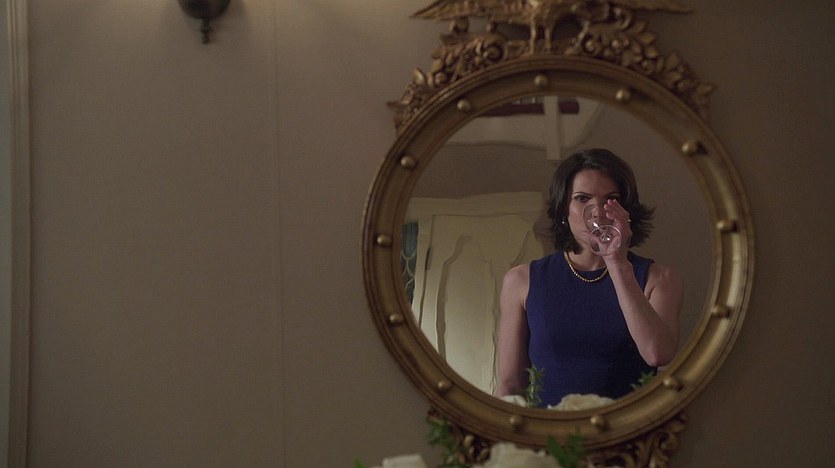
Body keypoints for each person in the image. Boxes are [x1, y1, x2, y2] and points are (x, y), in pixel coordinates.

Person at [496, 148, 684, 407]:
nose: (598, 212)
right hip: (548, 430)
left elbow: (658, 354)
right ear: (564, 209)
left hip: (629, 427)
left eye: (611, 199)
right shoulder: (521, 280)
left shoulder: (660, 279)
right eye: (582, 198)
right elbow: (510, 385)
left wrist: (616, 262)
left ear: (626, 210)